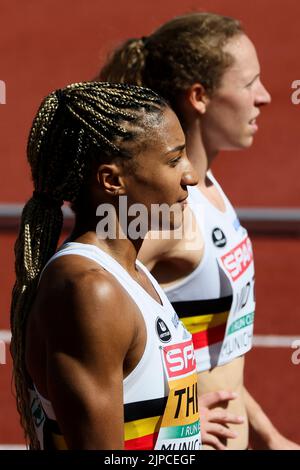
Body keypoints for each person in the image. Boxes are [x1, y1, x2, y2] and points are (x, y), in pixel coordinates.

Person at [97, 12, 300, 450]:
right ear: (200, 96)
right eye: (249, 84)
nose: (264, 97)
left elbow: (213, 359)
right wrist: (166, 428)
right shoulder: (167, 216)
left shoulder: (206, 191)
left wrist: (267, 436)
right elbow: (77, 325)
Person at [10, 81, 202, 450]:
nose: (190, 176)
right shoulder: (90, 291)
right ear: (112, 180)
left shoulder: (131, 271)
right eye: (174, 159)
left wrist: (181, 432)